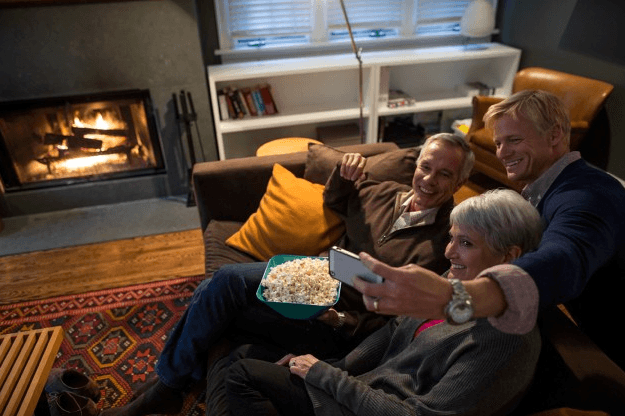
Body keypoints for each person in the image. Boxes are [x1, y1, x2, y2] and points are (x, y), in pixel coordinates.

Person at [99, 133, 475, 416]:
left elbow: (399, 320)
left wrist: (343, 320)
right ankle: (169, 385)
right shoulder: (383, 191)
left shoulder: (446, 240)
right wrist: (344, 176)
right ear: (417, 164)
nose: (429, 179)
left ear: (459, 183)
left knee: (226, 288)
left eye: (445, 174)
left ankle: (166, 387)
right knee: (222, 290)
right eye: (426, 167)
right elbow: (334, 200)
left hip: (339, 316)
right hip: (318, 275)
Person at [352, 90, 625, 368]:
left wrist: (453, 298)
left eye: (514, 140)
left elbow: (565, 257)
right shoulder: (540, 190)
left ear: (554, 136)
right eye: (498, 143)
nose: (502, 153)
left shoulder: (590, 195)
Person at [223, 189, 543, 416]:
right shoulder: (457, 284)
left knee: (243, 375)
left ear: (509, 255)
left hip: (361, 404)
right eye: (451, 238)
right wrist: (335, 368)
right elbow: (394, 331)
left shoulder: (504, 340)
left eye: (466, 243)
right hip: (357, 389)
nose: (449, 253)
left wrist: (324, 375)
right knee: (240, 351)